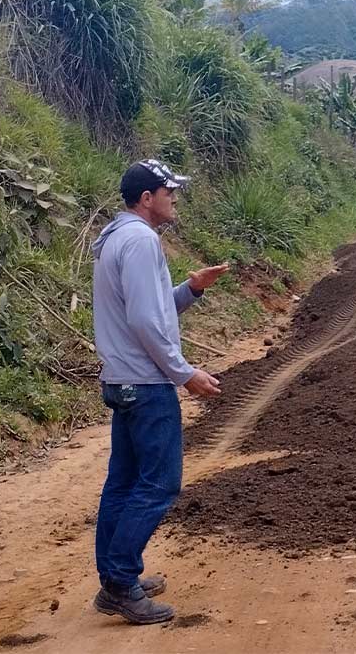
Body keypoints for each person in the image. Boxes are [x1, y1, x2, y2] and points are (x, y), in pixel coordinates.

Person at [89, 159, 230, 625]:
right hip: (146, 384)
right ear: (147, 198)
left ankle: (115, 577)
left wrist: (191, 288)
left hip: (121, 379)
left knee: (124, 482)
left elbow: (148, 310)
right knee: (160, 483)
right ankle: (121, 583)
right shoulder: (142, 241)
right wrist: (183, 373)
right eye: (169, 192)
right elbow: (146, 323)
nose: (174, 199)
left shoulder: (117, 237)